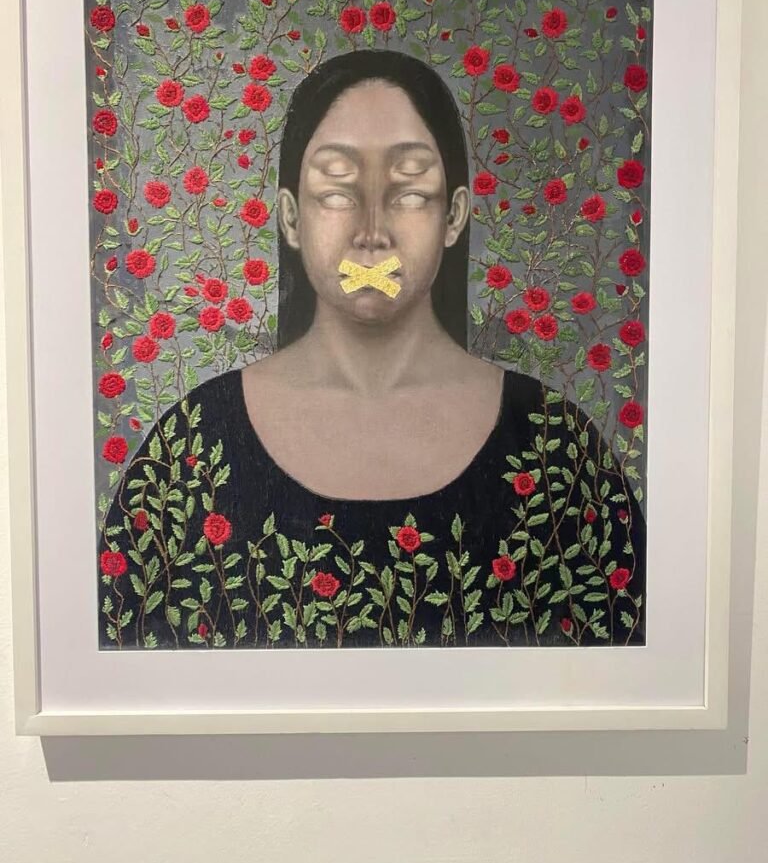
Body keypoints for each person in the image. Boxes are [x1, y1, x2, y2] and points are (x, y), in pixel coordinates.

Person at [97, 49, 646, 650]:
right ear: (290, 218)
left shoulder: (558, 451)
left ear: (454, 216)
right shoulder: (190, 452)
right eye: (337, 190)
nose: (372, 231)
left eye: (410, 191)